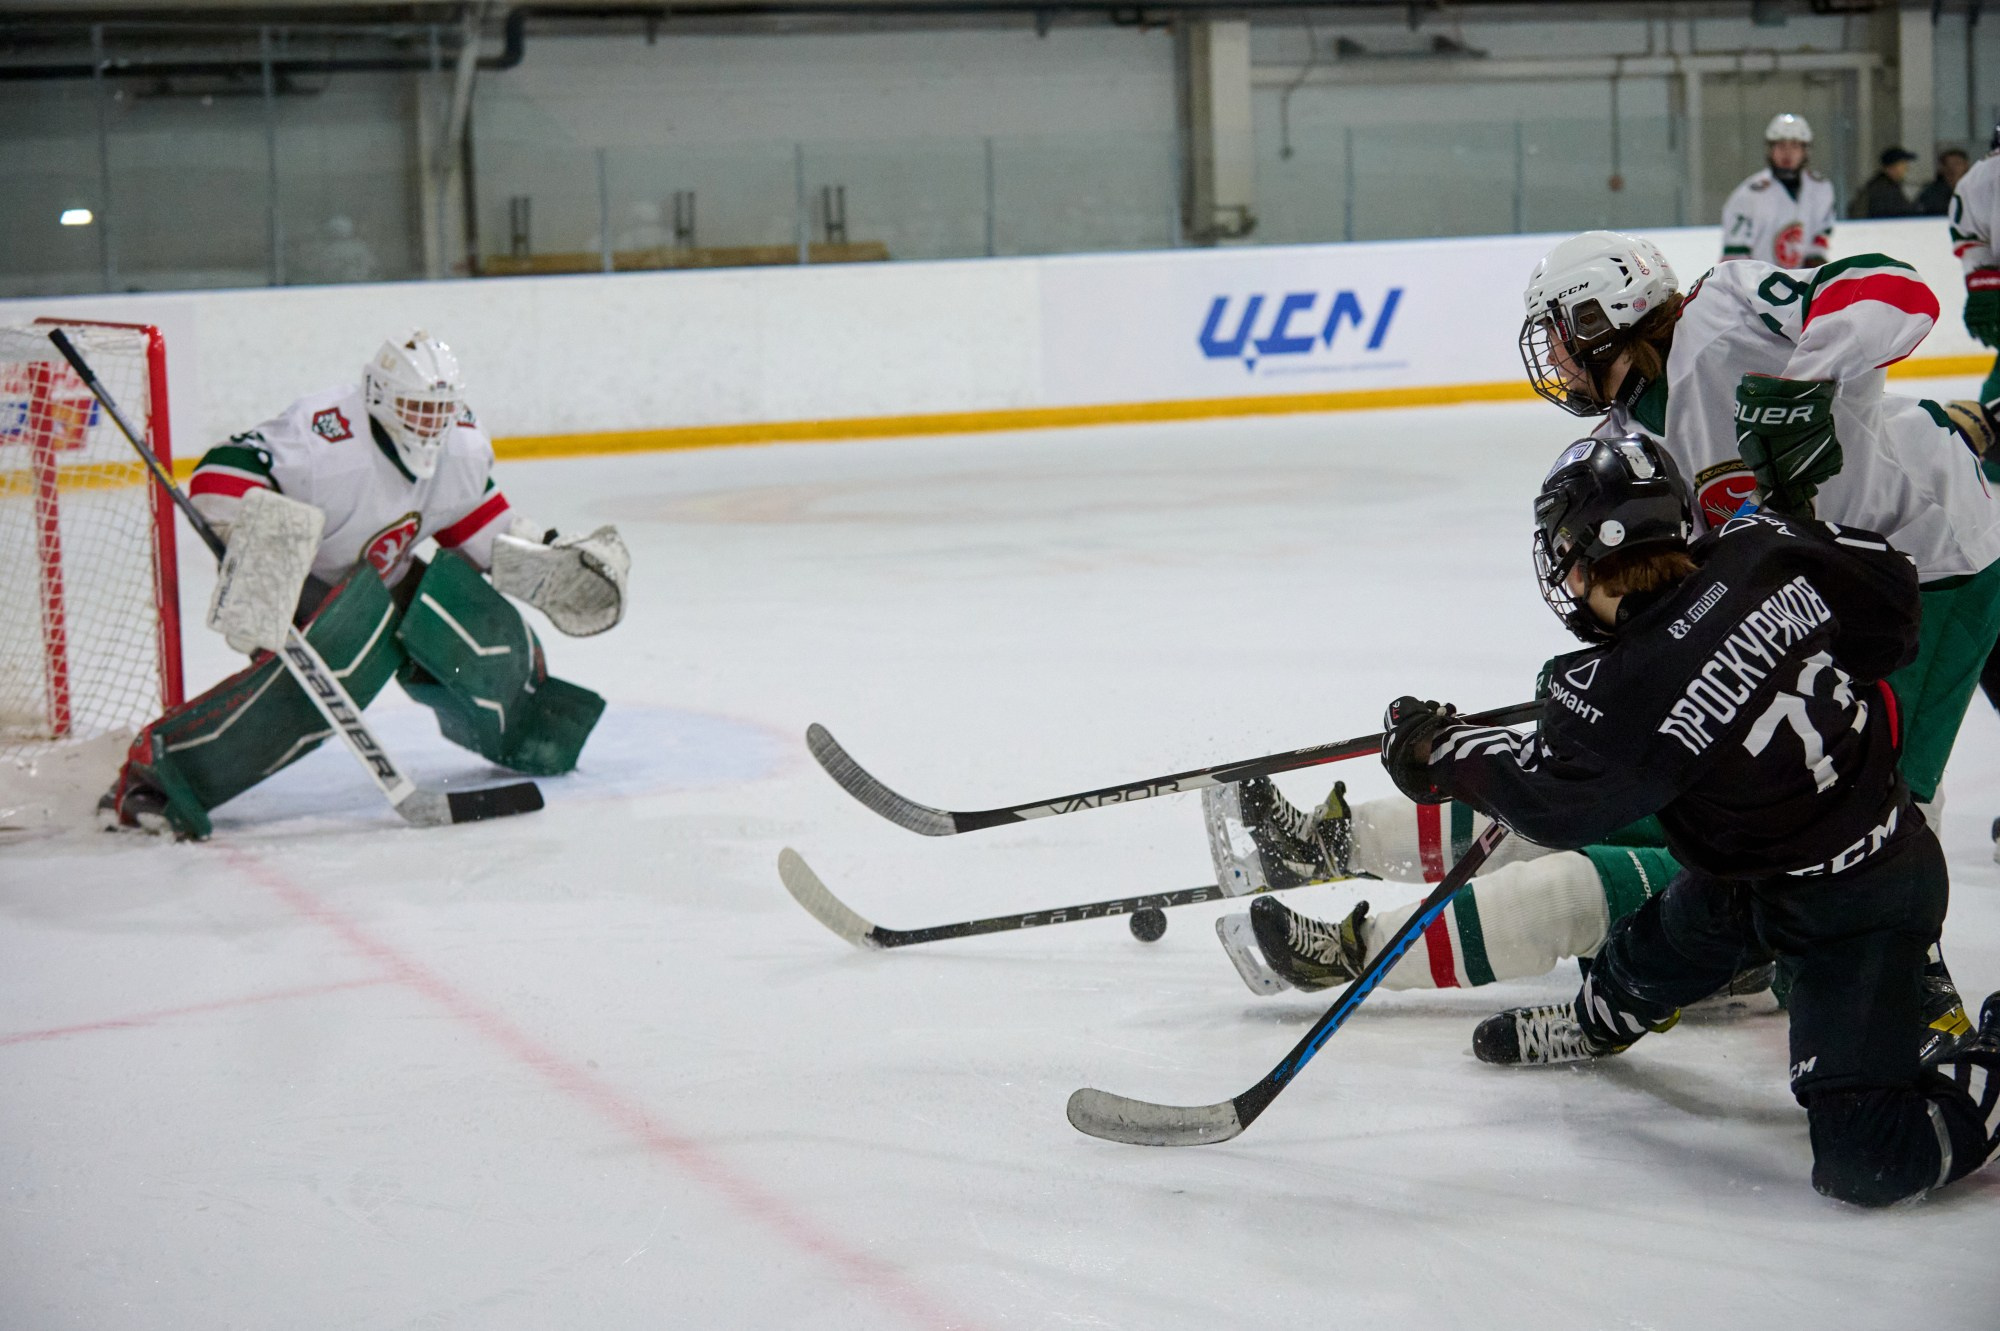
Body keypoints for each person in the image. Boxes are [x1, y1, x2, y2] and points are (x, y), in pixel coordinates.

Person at [1215, 230, 2000, 1050]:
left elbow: (1897, 291)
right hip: (1809, 593)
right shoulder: (1635, 438)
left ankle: (1904, 986)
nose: (1553, 357)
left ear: (1605, 312)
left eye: (1559, 331)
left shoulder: (1725, 315)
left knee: (1851, 810)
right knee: (1669, 780)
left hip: (1933, 560)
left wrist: (1803, 382)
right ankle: (1344, 840)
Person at [1375, 433, 2000, 1207]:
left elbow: (1549, 799)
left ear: (1588, 558)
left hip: (1864, 907)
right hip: (1764, 869)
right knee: (1642, 959)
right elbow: (1894, 602)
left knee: (1868, 1159)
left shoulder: (1621, 692)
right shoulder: (1763, 541)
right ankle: (1598, 1019)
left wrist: (1438, 753)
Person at [97, 331, 632, 840]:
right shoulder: (324, 438)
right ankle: (157, 783)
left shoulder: (461, 449)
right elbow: (223, 468)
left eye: (440, 410)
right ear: (378, 395)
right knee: (334, 672)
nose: (430, 424)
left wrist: (547, 551)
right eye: (417, 408)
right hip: (303, 581)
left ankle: (531, 732)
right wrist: (253, 542)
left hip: (385, 576)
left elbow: (477, 524)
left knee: (475, 626)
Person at [1720, 113, 1838, 268]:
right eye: (1781, 145)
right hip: (1758, 286)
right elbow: (1734, 258)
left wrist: (1815, 269)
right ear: (1770, 149)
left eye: (1795, 146)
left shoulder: (1821, 189)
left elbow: (1818, 242)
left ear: (1805, 151)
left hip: (1802, 285)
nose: (1787, 153)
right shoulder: (1749, 194)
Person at [1850, 146, 1919, 218]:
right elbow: (1902, 213)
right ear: (1891, 167)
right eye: (1902, 164)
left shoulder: (1884, 185)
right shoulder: (1883, 189)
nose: (1906, 168)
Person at [1917, 147, 1972, 216]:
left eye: (1957, 164)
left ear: (1966, 166)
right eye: (1948, 164)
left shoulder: (1975, 189)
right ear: (1942, 168)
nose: (1953, 168)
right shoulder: (1931, 192)